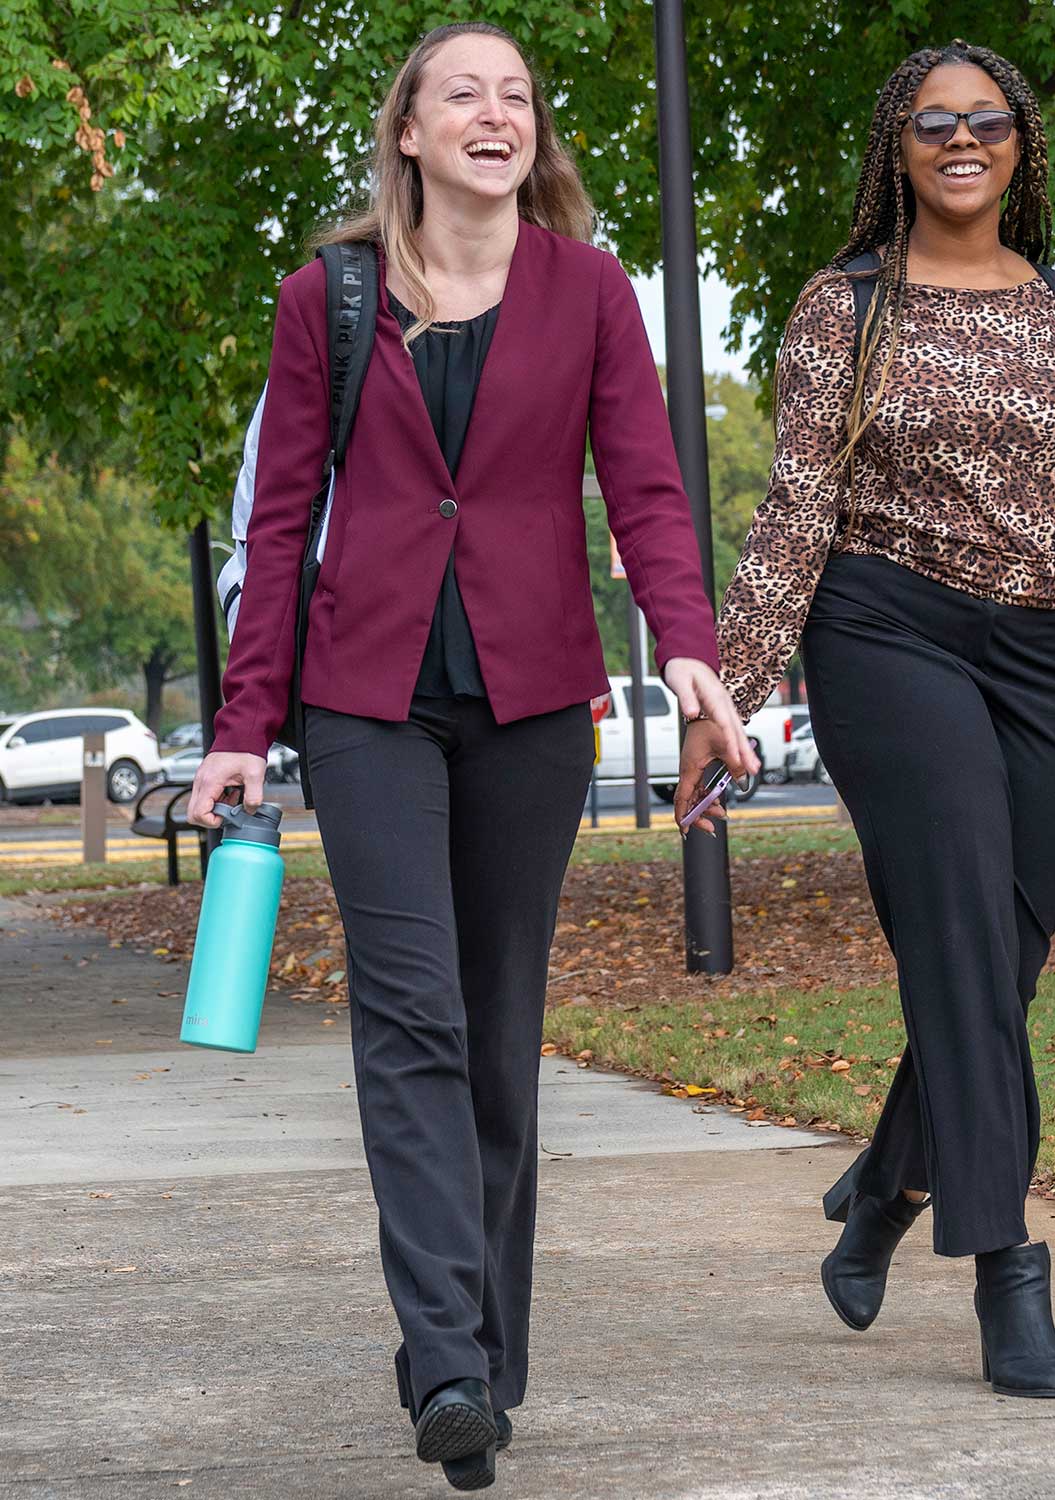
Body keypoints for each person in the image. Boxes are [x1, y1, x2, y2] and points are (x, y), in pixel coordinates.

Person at [191, 22, 756, 1490]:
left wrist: (689, 650)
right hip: (364, 696)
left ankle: (484, 1351)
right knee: (413, 1019)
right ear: (409, 134)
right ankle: (442, 1358)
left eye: (516, 96)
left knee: (500, 1032)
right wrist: (243, 726)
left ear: (533, 138)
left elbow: (644, 486)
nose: (494, 113)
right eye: (464, 93)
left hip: (529, 703)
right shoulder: (329, 296)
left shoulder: (588, 294)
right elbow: (278, 516)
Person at [685, 39, 1055, 1400]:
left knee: (998, 965)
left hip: (1042, 648)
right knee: (952, 932)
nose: (960, 142)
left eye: (985, 123)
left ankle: (887, 1189)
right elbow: (799, 503)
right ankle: (1008, 1272)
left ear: (1020, 145)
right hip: (887, 633)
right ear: (896, 145)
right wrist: (733, 684)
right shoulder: (847, 305)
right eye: (932, 123)